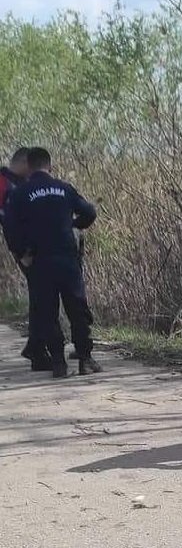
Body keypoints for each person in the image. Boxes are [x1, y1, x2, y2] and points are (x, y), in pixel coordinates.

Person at [3, 147, 102, 379]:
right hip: (67, 258)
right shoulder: (64, 188)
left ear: (29, 166)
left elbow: (10, 227)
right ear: (50, 165)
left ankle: (58, 363)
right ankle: (85, 359)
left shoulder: (20, 192)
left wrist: (21, 252)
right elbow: (89, 212)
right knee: (76, 308)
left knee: (47, 312)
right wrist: (73, 225)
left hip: (39, 261)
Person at [0, 147, 54, 370]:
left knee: (40, 296)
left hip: (33, 248)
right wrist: (21, 252)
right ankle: (37, 348)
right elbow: (9, 221)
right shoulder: (4, 183)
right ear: (23, 163)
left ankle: (36, 346)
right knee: (42, 296)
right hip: (25, 251)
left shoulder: (16, 183)